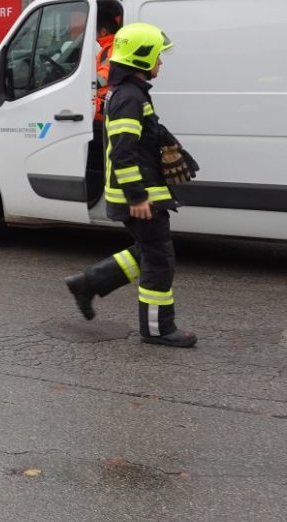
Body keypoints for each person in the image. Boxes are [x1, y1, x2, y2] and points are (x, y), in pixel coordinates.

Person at [63, 22, 196, 347]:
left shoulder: (131, 94)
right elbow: (123, 152)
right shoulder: (128, 98)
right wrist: (136, 195)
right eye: (157, 57)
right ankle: (157, 329)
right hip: (140, 195)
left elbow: (142, 139)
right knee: (159, 260)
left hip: (145, 192)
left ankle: (89, 283)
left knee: (150, 252)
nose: (160, 63)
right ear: (141, 58)